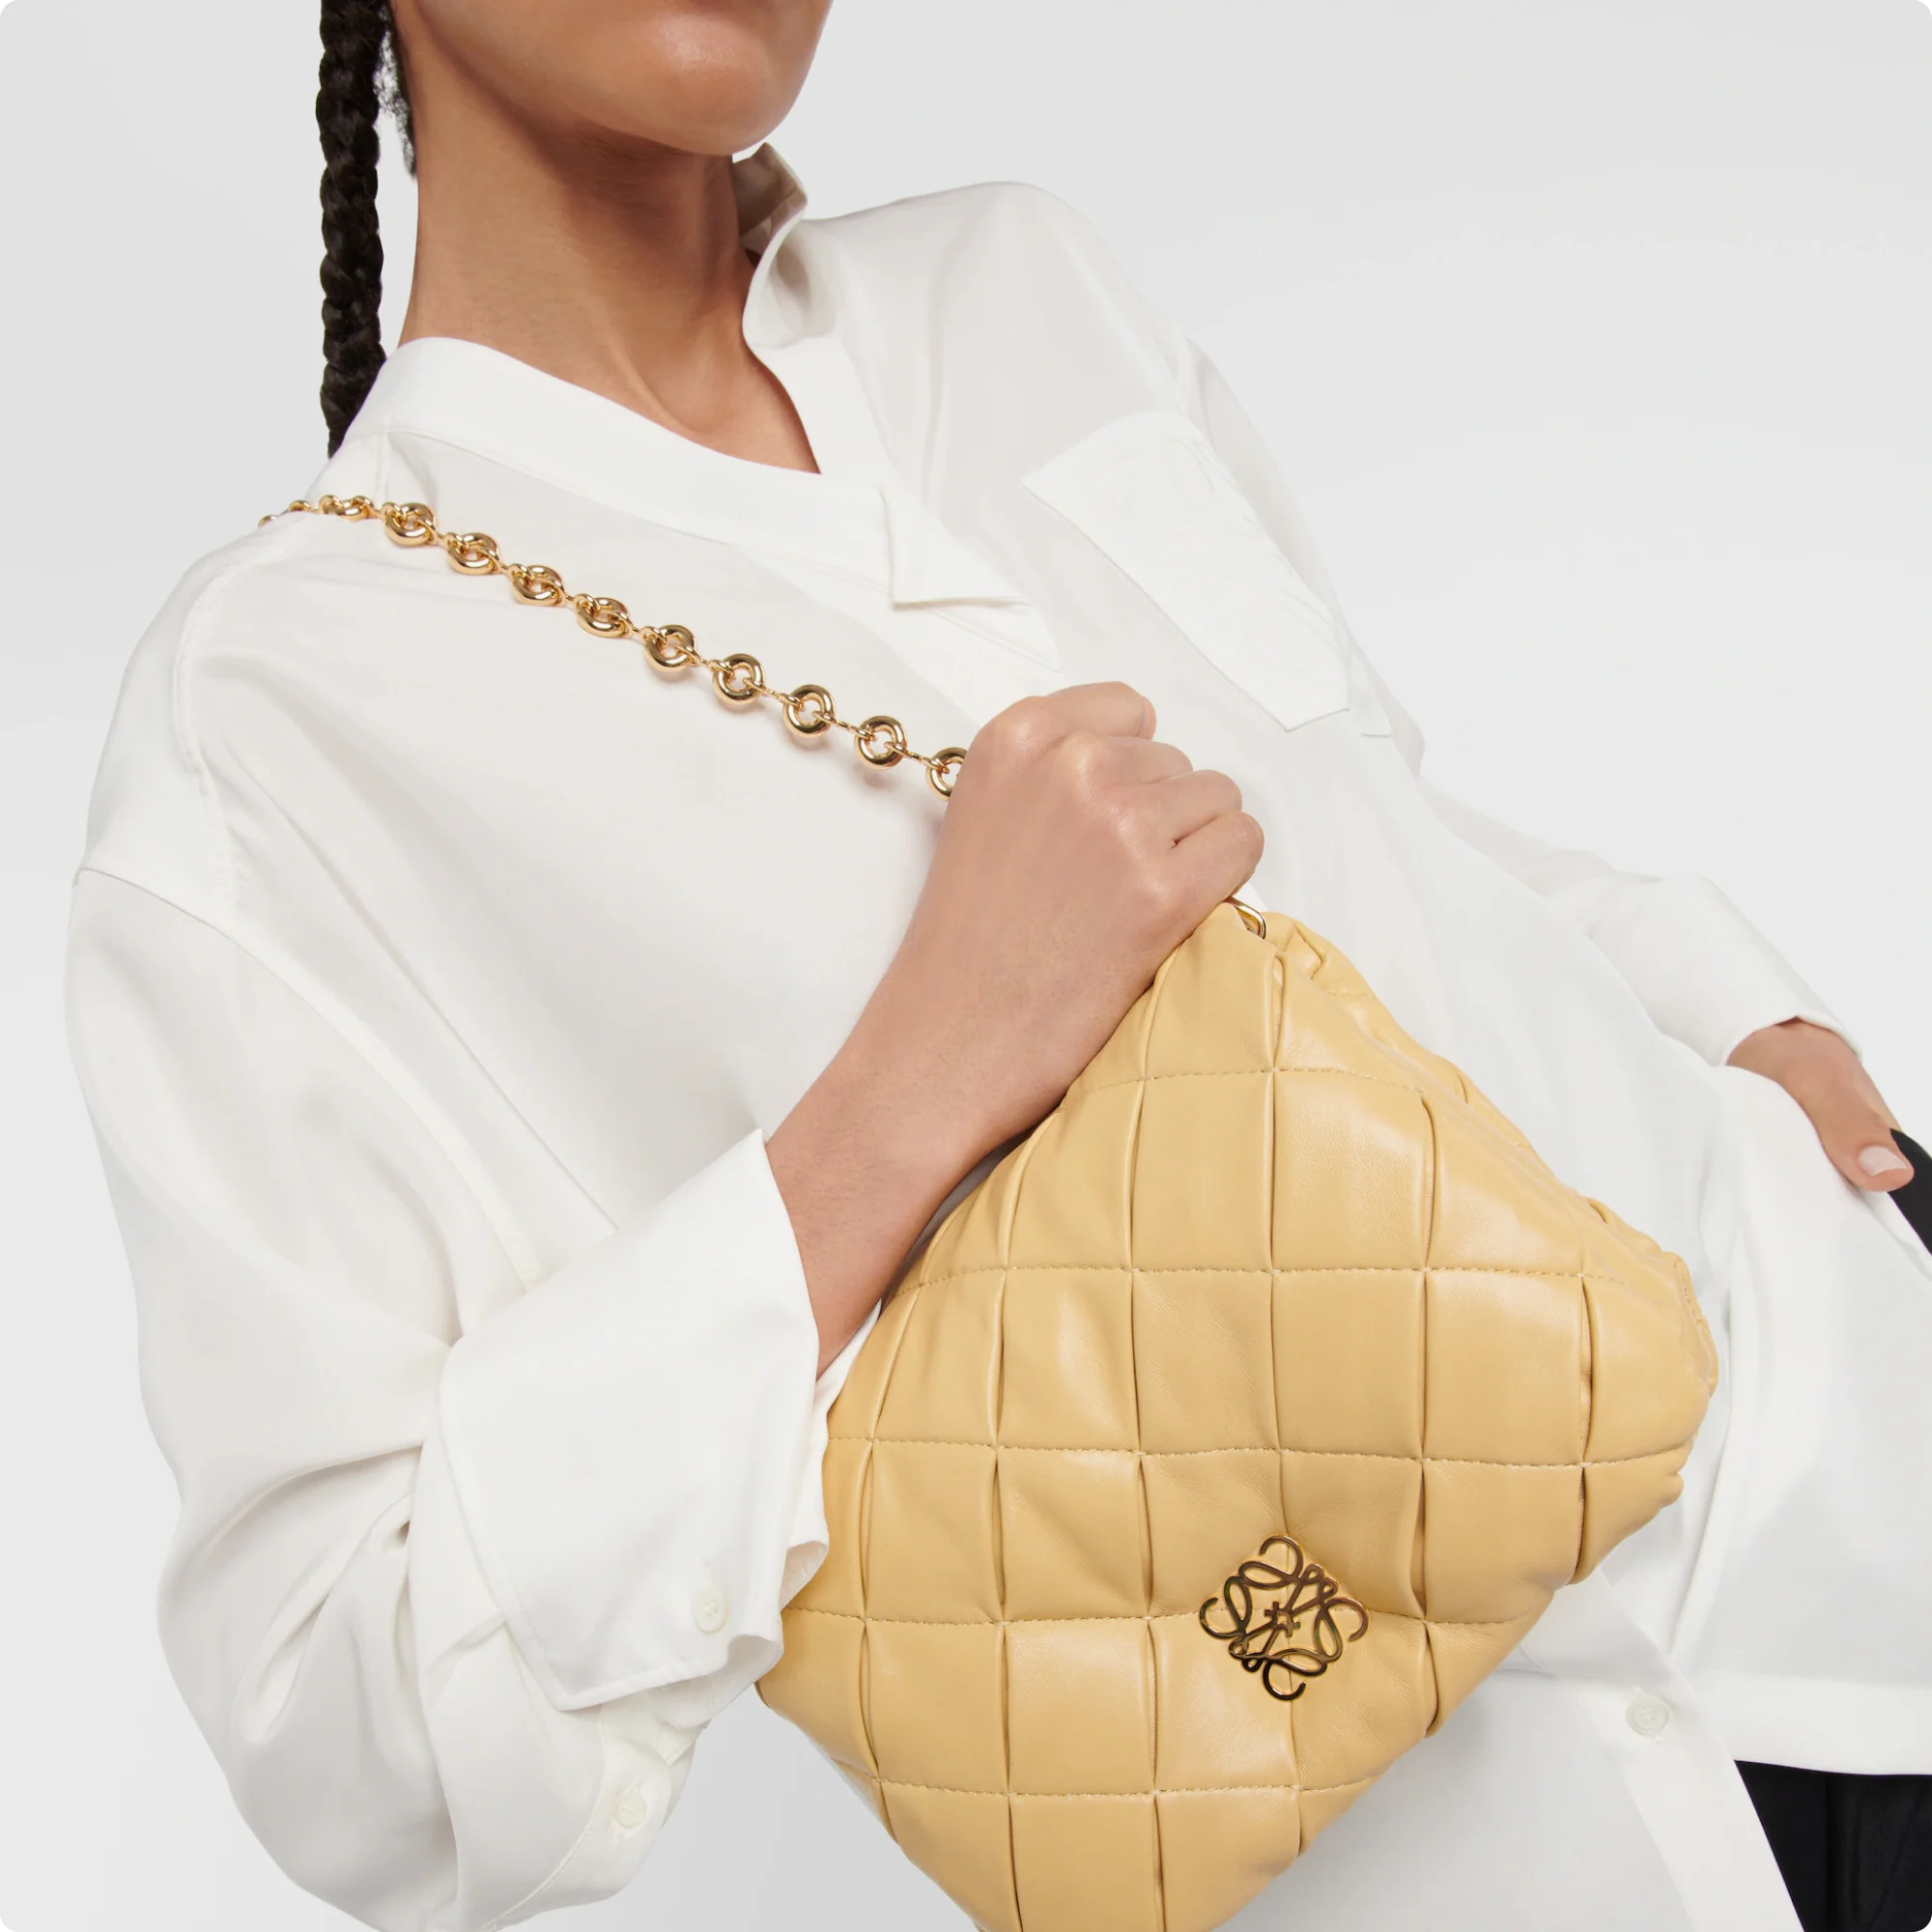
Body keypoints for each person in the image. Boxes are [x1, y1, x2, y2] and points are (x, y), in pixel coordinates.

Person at [62, 3, 1932, 1929]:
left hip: (1872, 1445)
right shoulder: (278, 710)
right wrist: (911, 1086)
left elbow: (1382, 820)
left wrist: (1727, 1004)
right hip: (1524, 1845)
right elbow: (344, 1710)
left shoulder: (1020, 282)